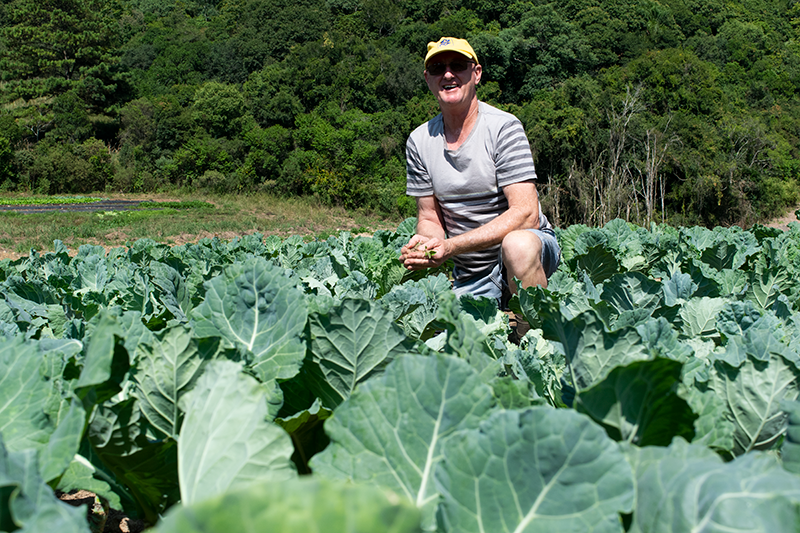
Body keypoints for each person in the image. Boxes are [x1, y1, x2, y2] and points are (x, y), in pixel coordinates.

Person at [399, 36, 560, 306]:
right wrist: (426, 246)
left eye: (458, 65)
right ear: (428, 79)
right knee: (448, 339)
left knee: (517, 246)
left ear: (476, 74)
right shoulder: (419, 140)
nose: (448, 74)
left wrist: (452, 246)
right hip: (471, 272)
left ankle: (536, 328)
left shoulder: (503, 128)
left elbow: (527, 215)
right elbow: (429, 218)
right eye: (438, 68)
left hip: (526, 250)